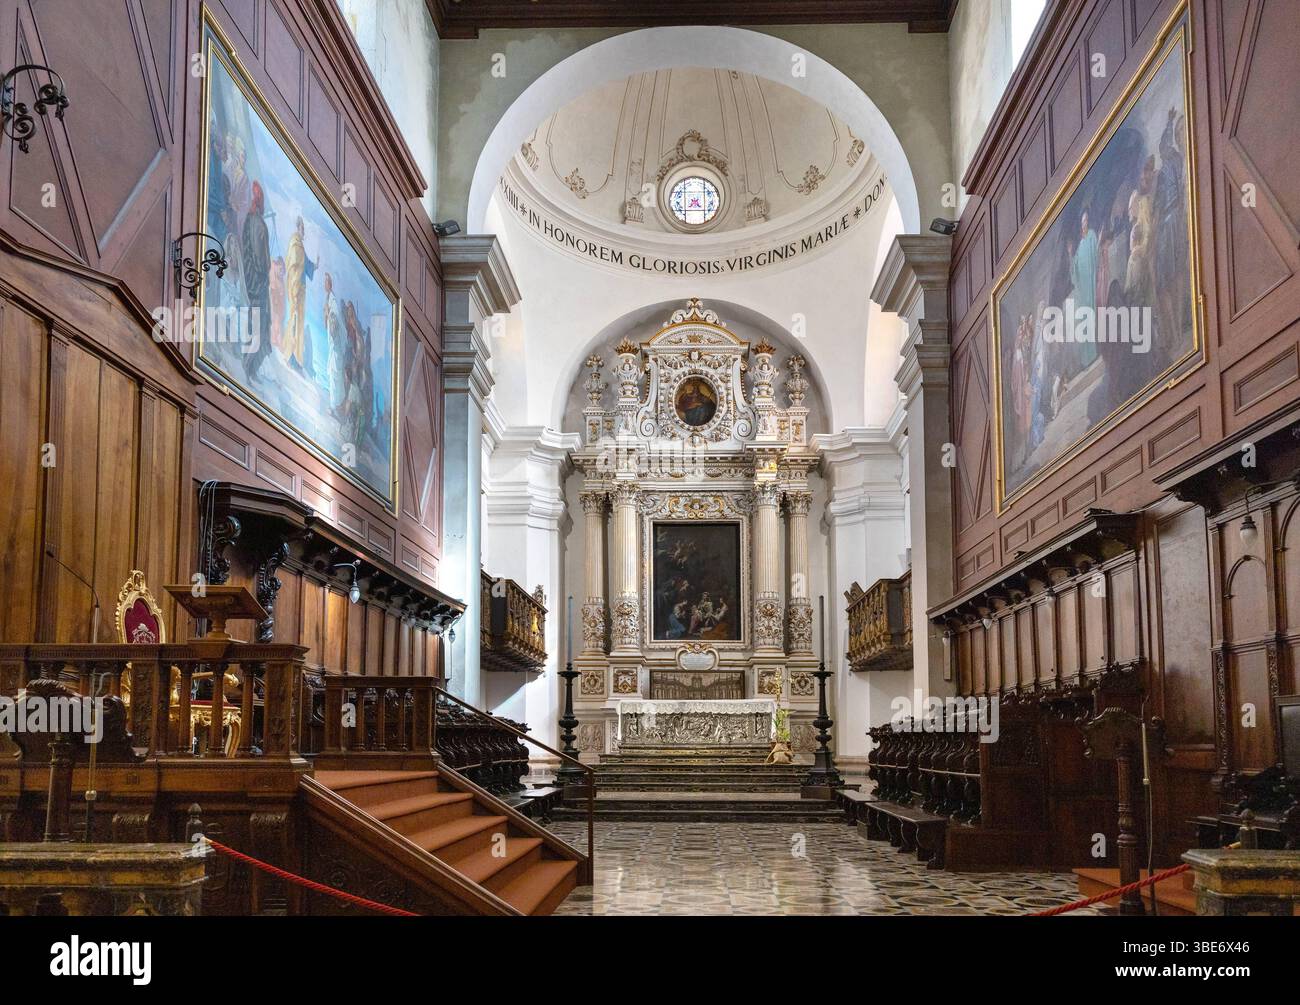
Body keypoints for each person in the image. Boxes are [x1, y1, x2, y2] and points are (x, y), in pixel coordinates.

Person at [240, 181, 272, 379]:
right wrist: (265, 268)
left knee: (256, 324)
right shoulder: (258, 223)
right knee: (259, 325)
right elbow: (261, 259)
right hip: (257, 283)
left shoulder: (249, 220)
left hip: (251, 281)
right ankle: (249, 367)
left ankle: (250, 368)